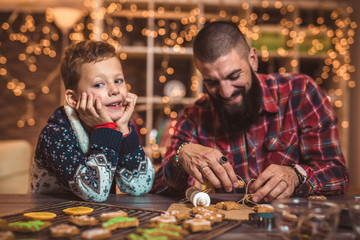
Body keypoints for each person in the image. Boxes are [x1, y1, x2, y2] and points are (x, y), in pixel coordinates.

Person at [151, 21, 349, 202]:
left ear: (253, 60)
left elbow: (338, 174)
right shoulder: (193, 116)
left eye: (234, 76)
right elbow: (159, 188)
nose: (226, 92)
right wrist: (181, 155)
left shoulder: (301, 93)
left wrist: (295, 175)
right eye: (212, 82)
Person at [31, 40, 155, 202]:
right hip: (52, 219)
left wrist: (123, 128)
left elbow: (140, 186)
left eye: (118, 80)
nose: (115, 90)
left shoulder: (116, 127)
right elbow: (94, 192)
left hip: (97, 220)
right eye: (99, 84)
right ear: (73, 99)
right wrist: (105, 128)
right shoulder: (55, 135)